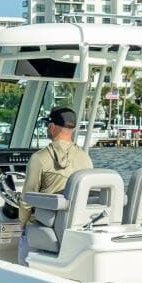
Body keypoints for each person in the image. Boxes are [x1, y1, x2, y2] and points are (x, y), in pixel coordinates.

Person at [17, 106, 93, 263]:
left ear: (52, 127)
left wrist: (22, 224)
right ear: (73, 128)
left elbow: (27, 199)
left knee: (24, 232)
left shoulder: (39, 158)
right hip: (74, 228)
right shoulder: (85, 158)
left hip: (44, 229)